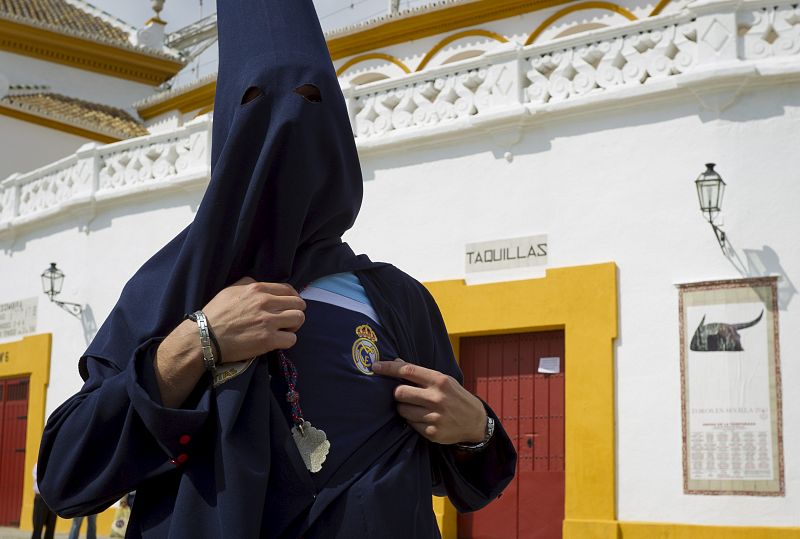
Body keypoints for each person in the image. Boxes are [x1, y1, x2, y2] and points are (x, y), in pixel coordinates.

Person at [36, 0, 516, 537]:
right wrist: (197, 342)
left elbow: (467, 476)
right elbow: (66, 477)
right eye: (255, 103)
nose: (286, 123)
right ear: (227, 132)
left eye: (310, 100)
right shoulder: (170, 288)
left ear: (337, 134)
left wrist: (476, 429)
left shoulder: (397, 299)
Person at [31, 464, 56, 539]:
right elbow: (39, 478)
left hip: (52, 498)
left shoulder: (54, 464)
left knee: (51, 525)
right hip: (41, 497)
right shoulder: (38, 464)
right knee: (38, 524)